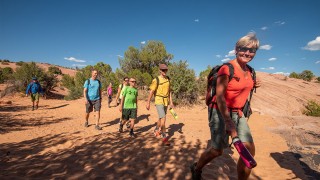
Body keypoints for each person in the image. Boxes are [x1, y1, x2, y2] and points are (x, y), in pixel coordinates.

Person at [190, 33, 261, 180]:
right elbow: (220, 96)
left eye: (252, 50)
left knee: (248, 150)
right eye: (243, 49)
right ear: (236, 49)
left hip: (238, 114)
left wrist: (256, 82)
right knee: (217, 150)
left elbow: (242, 88)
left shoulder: (250, 71)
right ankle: (196, 168)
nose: (247, 53)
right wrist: (228, 122)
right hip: (220, 113)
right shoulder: (227, 69)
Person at [146, 64, 174, 146]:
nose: (164, 71)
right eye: (163, 70)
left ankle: (156, 129)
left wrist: (171, 102)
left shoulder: (168, 79)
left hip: (166, 100)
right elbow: (151, 91)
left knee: (161, 117)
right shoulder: (156, 80)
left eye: (165, 70)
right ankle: (164, 137)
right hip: (158, 100)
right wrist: (148, 102)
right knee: (163, 118)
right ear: (160, 70)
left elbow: (169, 92)